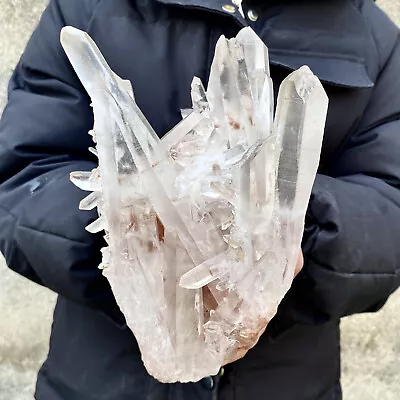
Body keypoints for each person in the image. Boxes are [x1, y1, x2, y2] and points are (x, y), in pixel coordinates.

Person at [0, 0, 399, 399]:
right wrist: (130, 236)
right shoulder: (87, 7)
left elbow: (390, 204)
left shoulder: (373, 35)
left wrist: (293, 227)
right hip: (99, 381)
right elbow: (22, 173)